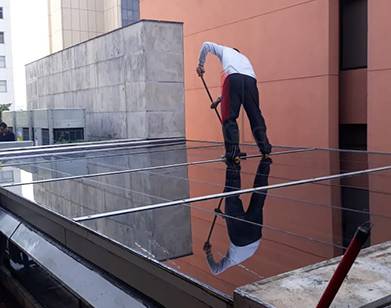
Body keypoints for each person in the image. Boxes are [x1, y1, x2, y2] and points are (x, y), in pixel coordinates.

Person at [197, 42, 272, 161]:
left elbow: (206, 45)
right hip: (251, 81)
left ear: (232, 50)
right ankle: (265, 149)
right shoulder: (244, 58)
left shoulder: (224, 50)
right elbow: (239, 86)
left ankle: (232, 153)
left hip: (233, 79)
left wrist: (200, 65)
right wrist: (219, 100)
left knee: (229, 117)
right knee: (255, 116)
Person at [203, 157, 272, 275]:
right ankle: (233, 166)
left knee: (258, 199)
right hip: (239, 239)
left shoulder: (243, 257)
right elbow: (215, 271)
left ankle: (265, 163)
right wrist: (208, 252)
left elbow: (237, 221)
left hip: (255, 236)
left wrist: (223, 216)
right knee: (231, 198)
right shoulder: (231, 260)